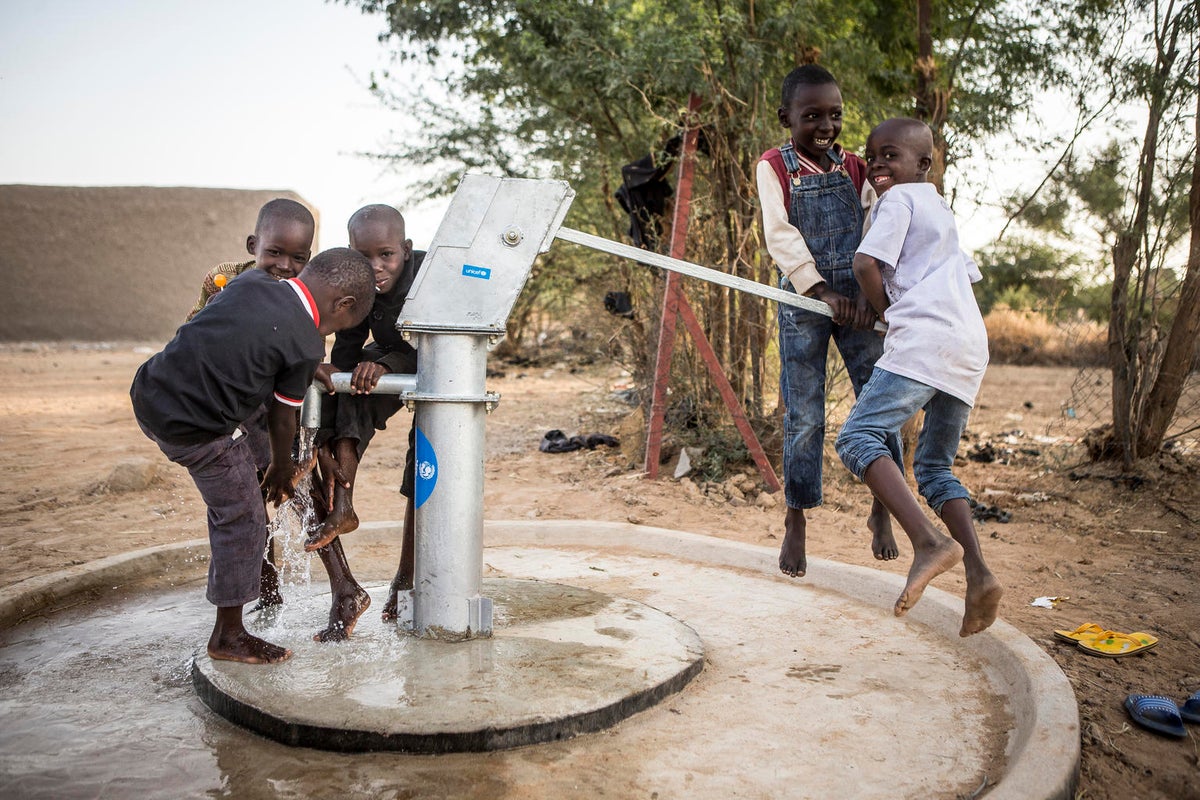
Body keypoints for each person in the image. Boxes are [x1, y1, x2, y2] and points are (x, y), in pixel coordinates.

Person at [131, 248, 375, 663]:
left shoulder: (251, 282)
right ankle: (228, 636)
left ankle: (311, 588)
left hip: (151, 390)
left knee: (258, 453)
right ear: (344, 306)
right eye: (341, 325)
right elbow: (284, 418)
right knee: (243, 516)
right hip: (195, 430)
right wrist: (282, 469)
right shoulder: (304, 345)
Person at [835, 117, 1003, 637]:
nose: (879, 166)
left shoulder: (899, 201)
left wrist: (883, 311)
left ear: (923, 166)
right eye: (873, 158)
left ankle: (929, 542)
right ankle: (978, 573)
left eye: (891, 156)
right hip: (968, 346)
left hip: (925, 340)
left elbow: (866, 264)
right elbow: (959, 273)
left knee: (857, 437)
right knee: (933, 467)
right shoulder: (942, 211)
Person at [756, 63, 897, 579]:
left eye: (835, 115)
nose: (825, 125)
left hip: (858, 299)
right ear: (786, 117)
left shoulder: (857, 167)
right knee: (804, 410)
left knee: (879, 400)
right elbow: (780, 235)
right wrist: (820, 290)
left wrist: (866, 295)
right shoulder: (775, 166)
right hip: (804, 296)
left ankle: (883, 505)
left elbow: (875, 228)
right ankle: (797, 516)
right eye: (812, 115)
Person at [184, 197, 317, 608]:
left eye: (298, 257)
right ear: (252, 245)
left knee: (297, 489)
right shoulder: (223, 281)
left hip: (278, 404)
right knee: (248, 498)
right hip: (232, 403)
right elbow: (193, 329)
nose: (284, 266)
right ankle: (265, 588)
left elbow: (308, 350)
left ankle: (342, 586)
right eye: (274, 252)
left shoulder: (306, 290)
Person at [304, 205, 424, 626]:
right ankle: (344, 507)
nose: (375, 267)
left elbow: (433, 343)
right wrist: (338, 379)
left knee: (423, 473)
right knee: (352, 388)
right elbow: (349, 345)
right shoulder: (361, 284)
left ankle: (405, 579)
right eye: (364, 255)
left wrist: (387, 365)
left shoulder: (430, 275)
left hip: (439, 364)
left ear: (406, 251)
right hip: (389, 363)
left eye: (386, 255)